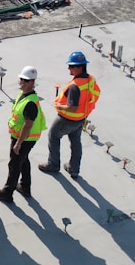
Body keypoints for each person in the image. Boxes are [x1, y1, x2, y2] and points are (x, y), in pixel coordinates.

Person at [40, 51, 101, 179]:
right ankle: (74, 169)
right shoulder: (90, 79)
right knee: (75, 142)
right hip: (81, 118)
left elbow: (72, 107)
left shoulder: (75, 87)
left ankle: (53, 164)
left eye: (71, 66)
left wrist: (58, 105)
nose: (69, 68)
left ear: (80, 67)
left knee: (53, 136)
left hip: (67, 119)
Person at [0, 66, 46, 202]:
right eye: (21, 80)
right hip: (22, 137)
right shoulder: (24, 95)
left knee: (15, 164)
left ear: (33, 82)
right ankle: (25, 186)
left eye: (26, 81)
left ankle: (7, 193)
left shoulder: (30, 103)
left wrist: (18, 143)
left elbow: (28, 125)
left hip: (24, 139)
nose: (22, 83)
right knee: (23, 160)